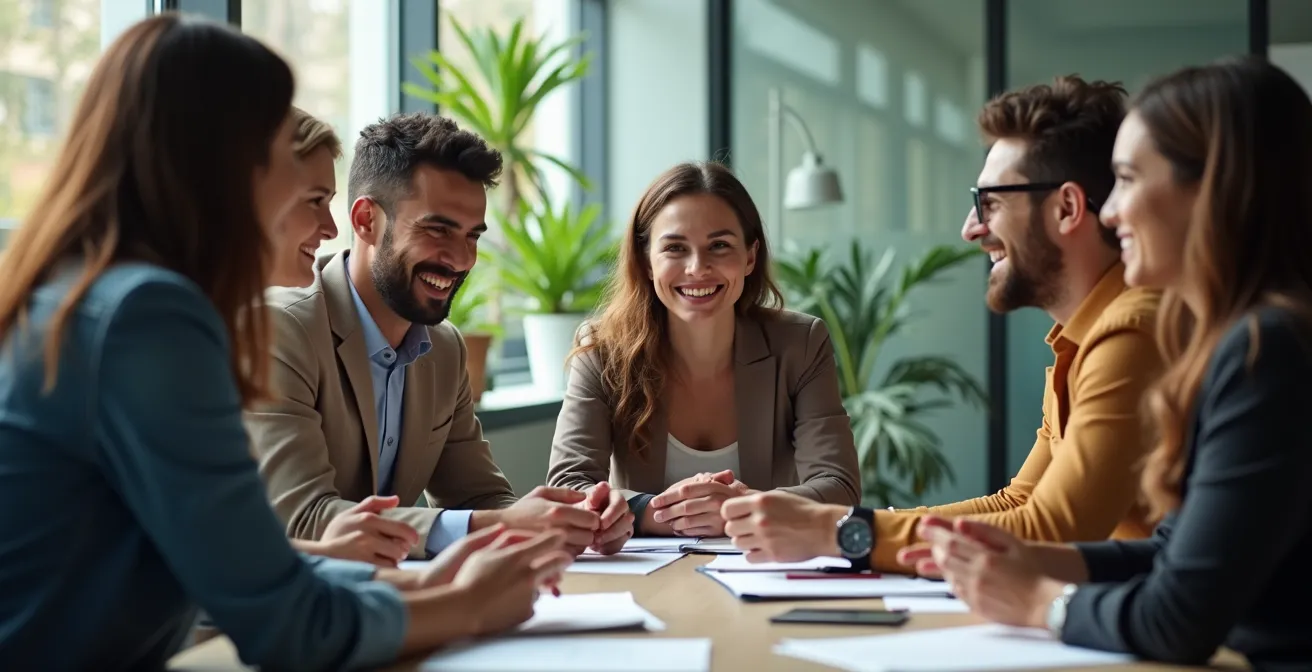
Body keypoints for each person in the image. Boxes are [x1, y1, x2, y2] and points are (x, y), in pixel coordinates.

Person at [0, 14, 570, 670]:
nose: (321, 220)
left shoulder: (86, 293)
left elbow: (220, 557)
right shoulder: (149, 318)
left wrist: (421, 580)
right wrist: (466, 606)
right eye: (280, 156)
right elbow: (284, 626)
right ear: (225, 168)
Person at [912, 56, 1312, 670]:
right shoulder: (1244, 339)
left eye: (1126, 179)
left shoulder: (1270, 350)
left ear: (1211, 189)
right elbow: (1174, 552)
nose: (1111, 210)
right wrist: (1023, 561)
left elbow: (1177, 618)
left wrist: (1041, 600)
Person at [721, 75, 1166, 571]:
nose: (970, 228)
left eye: (990, 203)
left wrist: (838, 531)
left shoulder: (1131, 335)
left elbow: (1051, 530)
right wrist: (853, 523)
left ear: (1066, 208)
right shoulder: (1082, 341)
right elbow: (1016, 503)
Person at [246, 111, 630, 563]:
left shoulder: (444, 349)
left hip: (391, 603)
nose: (461, 258)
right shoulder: (280, 329)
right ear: (367, 220)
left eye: (472, 236)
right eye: (438, 229)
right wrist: (500, 525)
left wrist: (568, 523)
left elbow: (480, 499)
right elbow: (306, 520)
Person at [547, 161, 860, 539]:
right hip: (642, 578)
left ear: (749, 257)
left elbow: (839, 486)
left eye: (719, 246)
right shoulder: (601, 350)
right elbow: (568, 487)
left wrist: (740, 511)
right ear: (647, 261)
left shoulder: (801, 343)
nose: (698, 268)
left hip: (765, 571)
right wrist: (664, 513)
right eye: (675, 248)